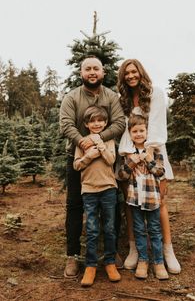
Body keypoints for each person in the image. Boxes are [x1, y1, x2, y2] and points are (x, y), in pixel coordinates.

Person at [59, 57, 125, 278]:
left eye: (96, 68)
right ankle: (73, 256)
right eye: (87, 69)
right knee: (75, 205)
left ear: (103, 72)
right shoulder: (71, 97)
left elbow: (119, 123)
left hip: (106, 158)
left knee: (111, 204)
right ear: (81, 73)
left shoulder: (111, 96)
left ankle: (111, 253)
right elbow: (66, 123)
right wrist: (83, 141)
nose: (92, 72)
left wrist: (97, 137)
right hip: (77, 156)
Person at [117, 58, 181, 274]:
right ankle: (135, 249)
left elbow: (157, 125)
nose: (131, 76)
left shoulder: (156, 93)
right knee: (131, 202)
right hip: (130, 153)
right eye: (126, 73)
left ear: (140, 72)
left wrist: (148, 153)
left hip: (153, 152)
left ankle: (167, 250)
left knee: (159, 200)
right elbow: (125, 129)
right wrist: (129, 156)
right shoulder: (122, 99)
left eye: (134, 72)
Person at [73, 105, 121, 286]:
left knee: (109, 228)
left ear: (106, 122)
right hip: (89, 191)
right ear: (86, 124)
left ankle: (109, 262)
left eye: (100, 120)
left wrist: (99, 144)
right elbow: (76, 166)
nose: (97, 124)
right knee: (92, 229)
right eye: (92, 121)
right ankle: (90, 265)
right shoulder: (82, 143)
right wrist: (88, 156)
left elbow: (110, 160)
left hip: (108, 188)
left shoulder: (108, 141)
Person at [118, 114, 169, 280]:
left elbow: (161, 172)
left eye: (141, 130)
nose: (138, 134)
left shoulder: (155, 151)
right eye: (135, 131)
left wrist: (148, 160)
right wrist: (131, 162)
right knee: (139, 230)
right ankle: (143, 260)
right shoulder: (127, 153)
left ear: (147, 132)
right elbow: (122, 176)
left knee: (154, 230)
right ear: (130, 134)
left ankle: (159, 262)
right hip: (135, 200)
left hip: (152, 199)